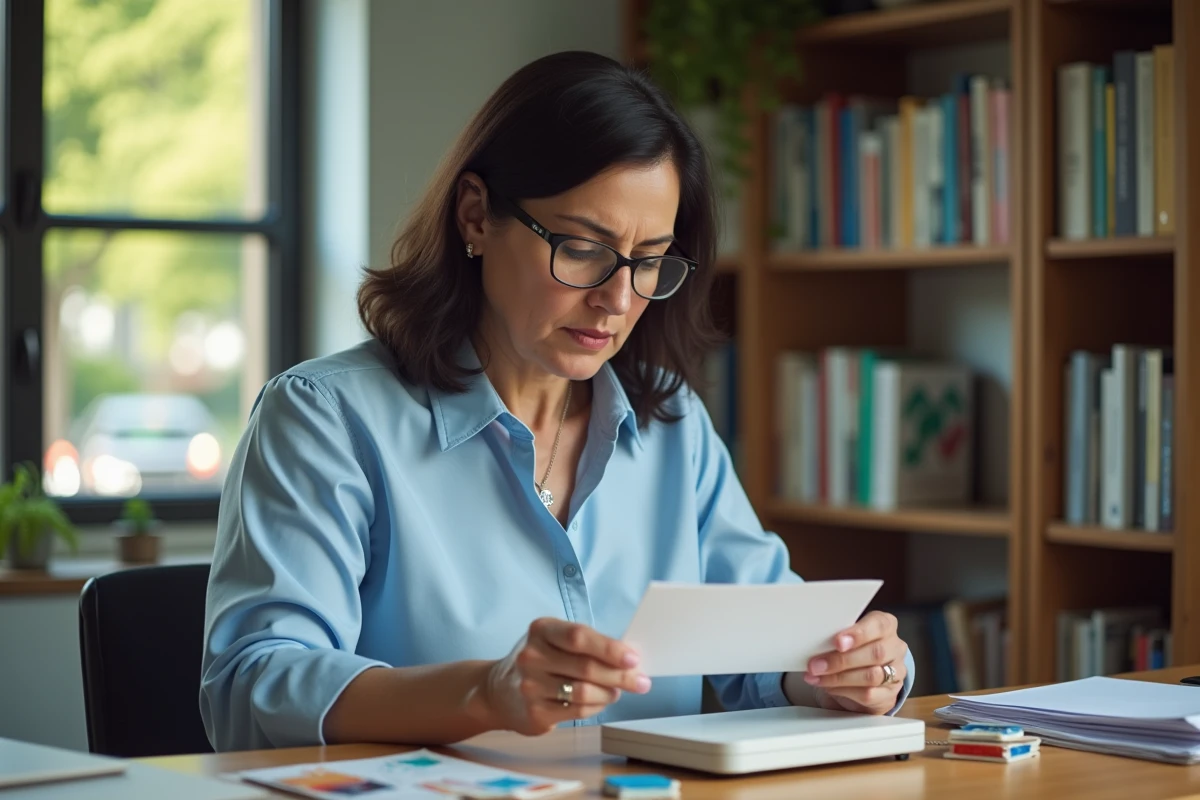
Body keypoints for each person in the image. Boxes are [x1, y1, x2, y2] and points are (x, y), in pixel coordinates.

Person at [199, 50, 914, 753]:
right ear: (476, 216)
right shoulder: (325, 418)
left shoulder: (671, 424)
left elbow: (769, 650)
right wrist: (485, 693)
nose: (616, 298)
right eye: (581, 248)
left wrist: (843, 671)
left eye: (649, 261)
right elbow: (254, 680)